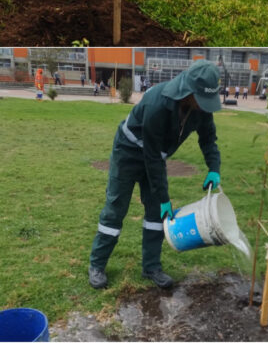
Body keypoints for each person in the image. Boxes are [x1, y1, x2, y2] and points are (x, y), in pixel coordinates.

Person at [89, 61, 222, 291]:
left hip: (154, 155)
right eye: (201, 99)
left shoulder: (201, 109)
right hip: (128, 152)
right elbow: (152, 158)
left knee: (155, 215)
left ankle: (151, 267)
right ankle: (97, 265)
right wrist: (164, 197)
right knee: (116, 208)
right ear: (188, 91)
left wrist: (214, 168)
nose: (204, 105)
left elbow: (208, 138)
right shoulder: (157, 103)